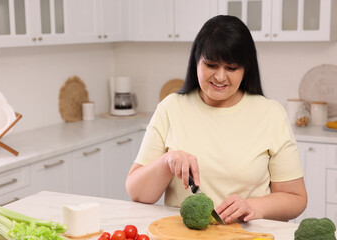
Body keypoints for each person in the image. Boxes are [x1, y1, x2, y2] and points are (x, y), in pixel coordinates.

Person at [125, 15, 307, 223]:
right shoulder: (170, 108)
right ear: (196, 62)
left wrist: (254, 207)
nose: (220, 77)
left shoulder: (271, 114)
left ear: (246, 69)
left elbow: (296, 198)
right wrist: (167, 162)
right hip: (184, 235)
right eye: (211, 65)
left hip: (249, 234)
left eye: (231, 68)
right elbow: (137, 193)